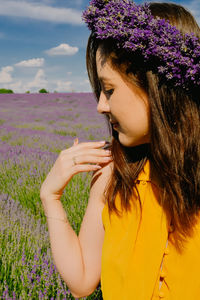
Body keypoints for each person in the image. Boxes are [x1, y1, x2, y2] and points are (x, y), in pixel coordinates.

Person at [40, 0, 200, 299]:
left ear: (156, 85)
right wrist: (51, 198)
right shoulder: (113, 174)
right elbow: (83, 280)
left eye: (109, 90)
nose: (101, 106)